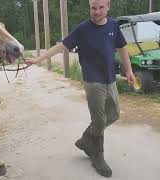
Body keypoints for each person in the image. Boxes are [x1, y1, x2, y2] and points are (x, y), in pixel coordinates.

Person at [25, 0, 135, 177]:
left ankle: (86, 139)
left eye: (101, 7)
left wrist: (129, 71)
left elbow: (122, 49)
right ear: (89, 7)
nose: (97, 11)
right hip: (93, 82)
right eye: (93, 8)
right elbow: (61, 47)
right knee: (99, 120)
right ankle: (98, 156)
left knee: (114, 114)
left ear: (108, 7)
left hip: (110, 80)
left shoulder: (114, 26)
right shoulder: (82, 29)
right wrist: (38, 59)